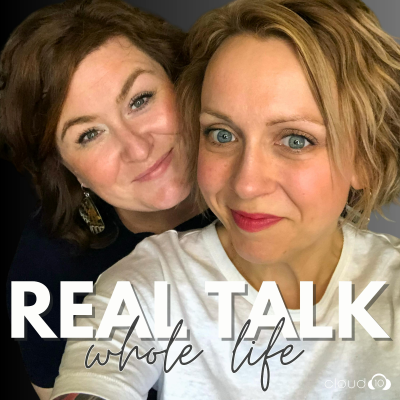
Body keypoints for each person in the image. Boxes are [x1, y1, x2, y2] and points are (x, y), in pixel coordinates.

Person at [51, 0, 400, 399]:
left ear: (366, 160)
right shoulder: (144, 284)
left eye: (295, 140)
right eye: (222, 134)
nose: (246, 185)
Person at [2, 0, 214, 399]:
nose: (137, 148)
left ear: (182, 82)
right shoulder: (46, 273)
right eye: (89, 134)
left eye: (140, 100)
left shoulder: (282, 192)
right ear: (70, 170)